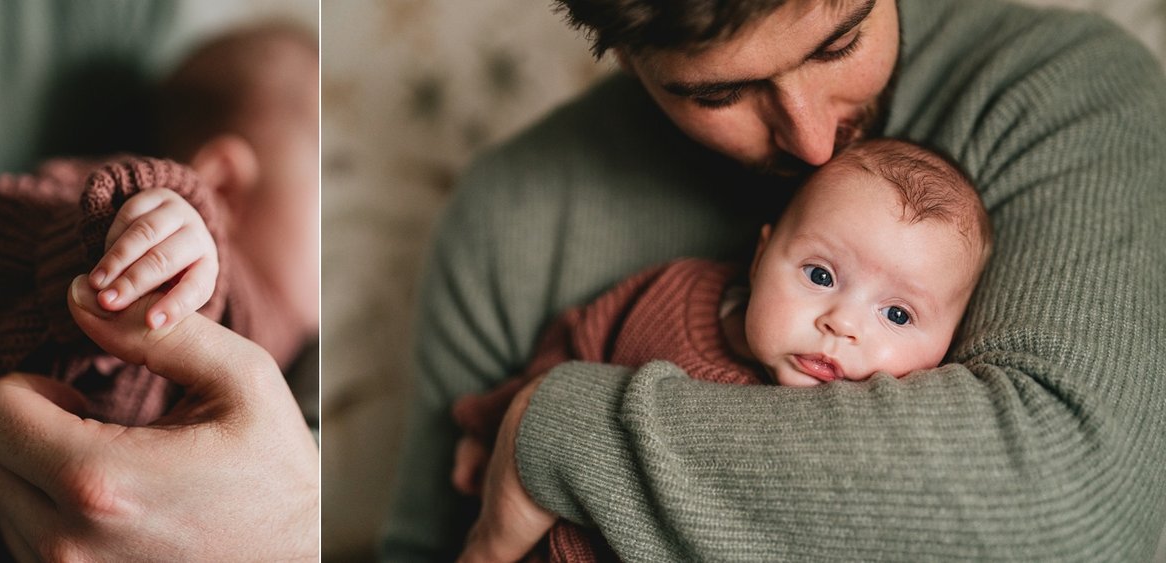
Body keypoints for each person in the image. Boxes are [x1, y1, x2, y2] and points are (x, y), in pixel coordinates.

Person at [382, 0, 1166, 560]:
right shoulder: (510, 215)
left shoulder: (1063, 94)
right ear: (622, 50)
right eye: (719, 92)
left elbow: (1070, 509)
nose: (814, 140)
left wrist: (557, 432)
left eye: (839, 42)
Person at [449, 138, 990, 559]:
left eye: (897, 314)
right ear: (760, 258)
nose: (842, 322)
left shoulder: (873, 431)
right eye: (820, 274)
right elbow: (570, 346)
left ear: (950, 343)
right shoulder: (669, 294)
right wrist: (492, 427)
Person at [0, 23, 321, 559]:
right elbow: (7, 228)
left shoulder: (302, 348)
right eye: (330, 178)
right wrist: (126, 235)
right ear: (225, 187)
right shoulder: (214, 257)